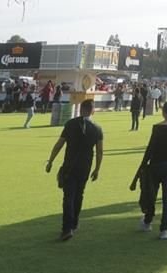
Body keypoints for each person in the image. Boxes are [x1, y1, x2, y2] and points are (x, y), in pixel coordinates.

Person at [45, 98, 103, 241]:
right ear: (92, 111)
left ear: (81, 109)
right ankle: (74, 223)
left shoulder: (70, 124)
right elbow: (100, 151)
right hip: (85, 166)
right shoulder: (97, 128)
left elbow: (59, 144)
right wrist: (97, 169)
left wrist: (50, 161)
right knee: (79, 194)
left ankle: (67, 228)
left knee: (68, 197)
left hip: (70, 165)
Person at [131, 100, 167, 241]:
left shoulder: (158, 127)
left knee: (151, 195)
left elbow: (150, 148)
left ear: (164, 112)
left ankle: (148, 221)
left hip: (156, 164)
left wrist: (142, 165)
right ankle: (164, 229)